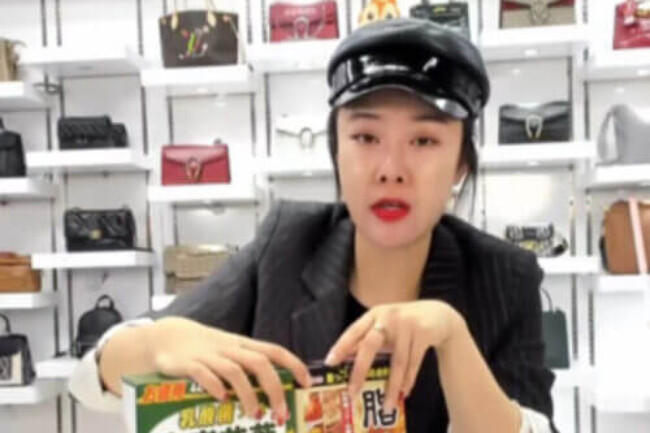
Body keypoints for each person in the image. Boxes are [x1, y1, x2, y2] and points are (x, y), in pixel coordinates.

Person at [69, 18, 556, 433]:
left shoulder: (505, 276)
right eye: (366, 137)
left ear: (460, 165)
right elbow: (90, 382)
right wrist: (153, 344)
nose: (391, 169)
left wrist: (452, 338)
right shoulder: (287, 243)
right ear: (336, 151)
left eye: (424, 141)